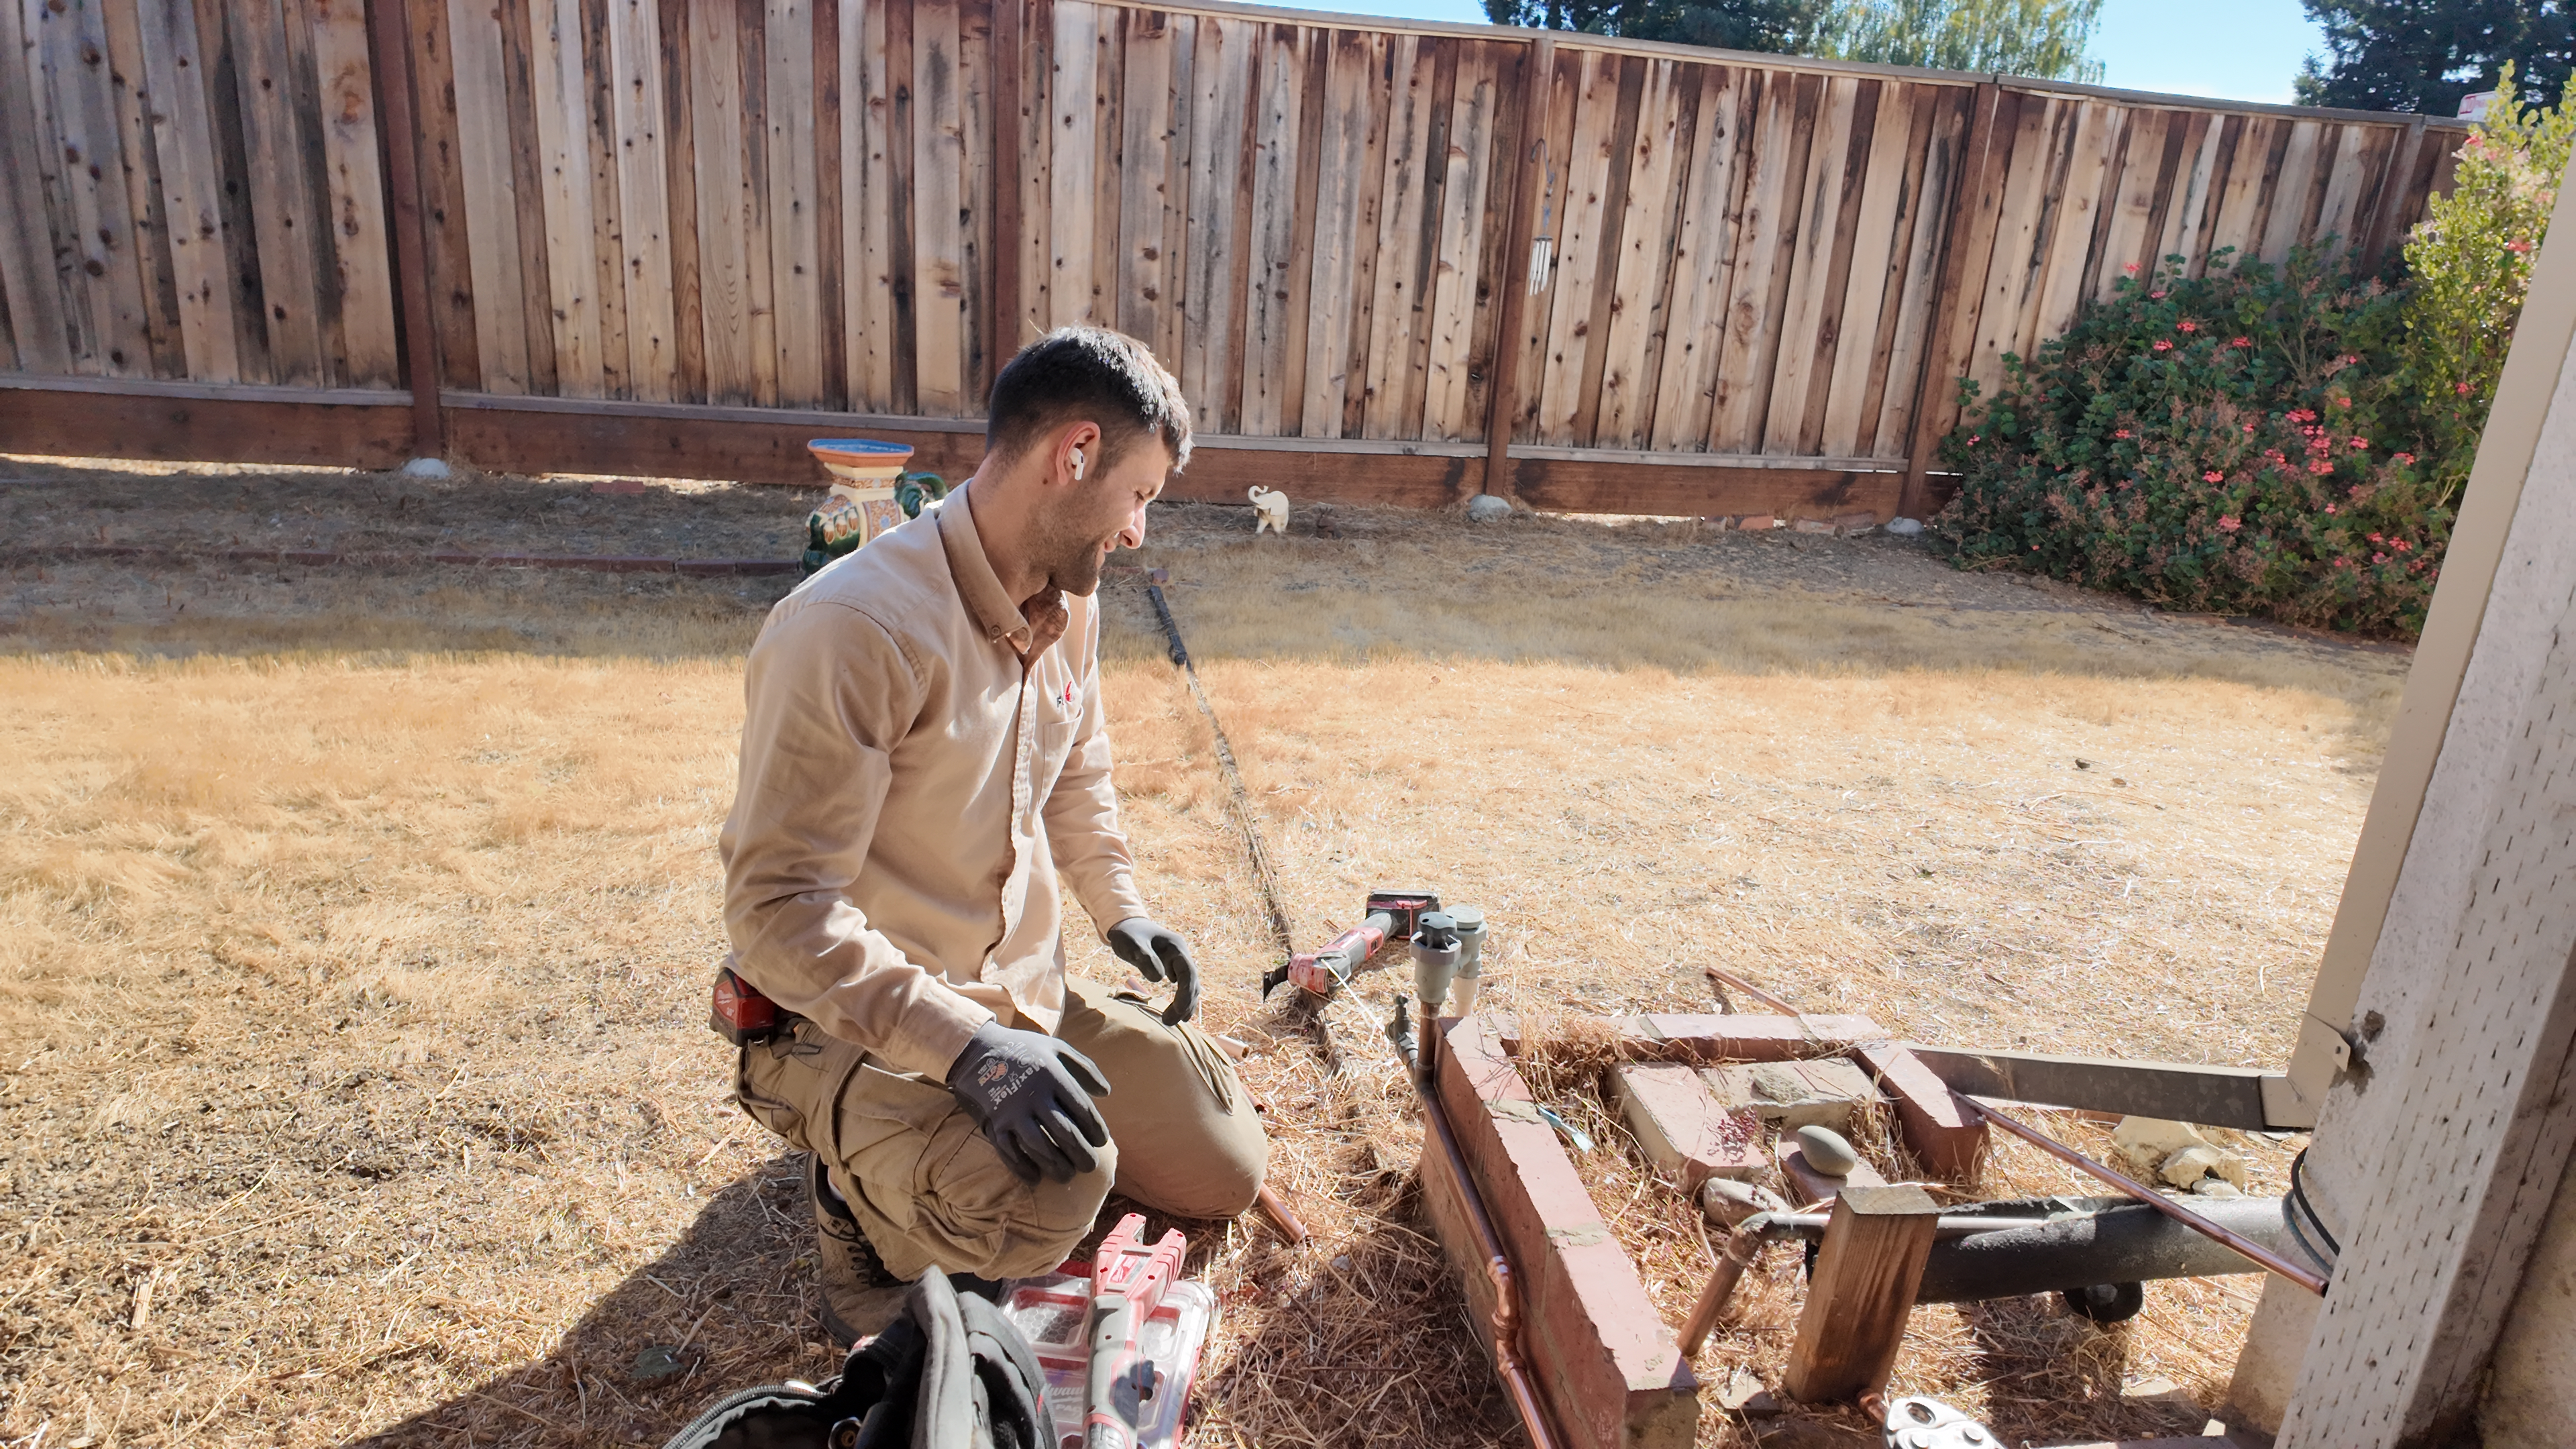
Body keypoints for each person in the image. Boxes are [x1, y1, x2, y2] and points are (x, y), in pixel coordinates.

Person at [716, 327, 1269, 1344]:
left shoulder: (1069, 599)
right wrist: (968, 1050)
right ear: (1075, 454)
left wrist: (1121, 911)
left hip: (1016, 993)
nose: (1138, 532)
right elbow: (776, 912)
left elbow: (1077, 769)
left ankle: (945, 1124)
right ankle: (854, 1204)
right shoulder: (854, 628)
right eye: (1139, 495)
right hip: (852, 1017)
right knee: (1051, 1197)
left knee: (1224, 1170)